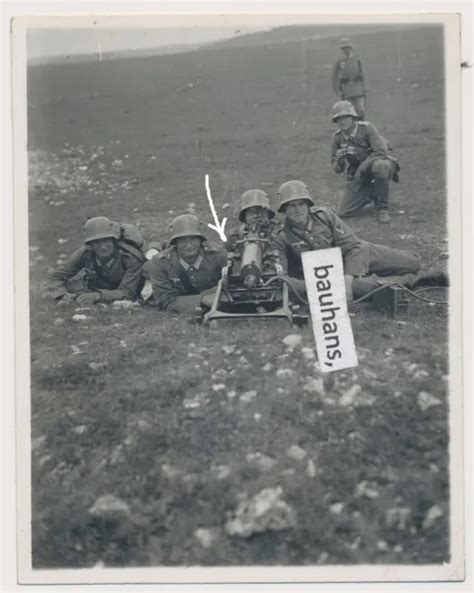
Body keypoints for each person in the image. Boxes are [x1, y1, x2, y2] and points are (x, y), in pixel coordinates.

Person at [271, 180, 447, 301]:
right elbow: (284, 279)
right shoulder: (281, 236)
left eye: (301, 204)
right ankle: (417, 280)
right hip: (329, 276)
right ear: (284, 210)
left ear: (308, 205)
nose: (297, 210)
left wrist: (347, 280)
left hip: (358, 253)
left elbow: (353, 246)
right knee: (366, 287)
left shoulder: (325, 216)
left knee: (413, 262)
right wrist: (322, 287)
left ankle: (410, 271)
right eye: (291, 206)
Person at [50, 216, 146, 306]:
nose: (102, 247)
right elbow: (56, 277)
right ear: (90, 244)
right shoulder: (86, 252)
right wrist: (62, 295)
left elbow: (128, 293)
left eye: (106, 241)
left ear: (113, 241)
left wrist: (97, 296)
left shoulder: (130, 257)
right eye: (96, 242)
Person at [331, 100, 400, 224]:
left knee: (380, 166)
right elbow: (336, 169)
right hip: (358, 176)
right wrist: (339, 161)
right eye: (338, 119)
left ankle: (382, 209)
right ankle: (371, 193)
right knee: (343, 212)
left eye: (345, 117)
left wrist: (362, 168)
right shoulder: (337, 138)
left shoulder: (366, 128)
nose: (342, 121)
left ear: (352, 117)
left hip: (376, 165)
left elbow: (381, 151)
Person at [145, 214, 228, 313]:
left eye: (193, 239)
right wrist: (202, 299)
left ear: (200, 241)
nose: (188, 245)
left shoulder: (218, 256)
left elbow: (229, 286)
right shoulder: (160, 263)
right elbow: (164, 300)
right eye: (182, 240)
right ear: (175, 242)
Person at [332, 36, 368, 119]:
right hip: (346, 90)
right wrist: (337, 90)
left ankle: (361, 126)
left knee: (361, 109)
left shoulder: (357, 58)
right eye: (344, 48)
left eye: (347, 48)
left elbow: (363, 73)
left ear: (351, 48)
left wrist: (365, 87)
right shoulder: (340, 61)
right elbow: (334, 77)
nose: (346, 50)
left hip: (358, 89)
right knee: (349, 111)